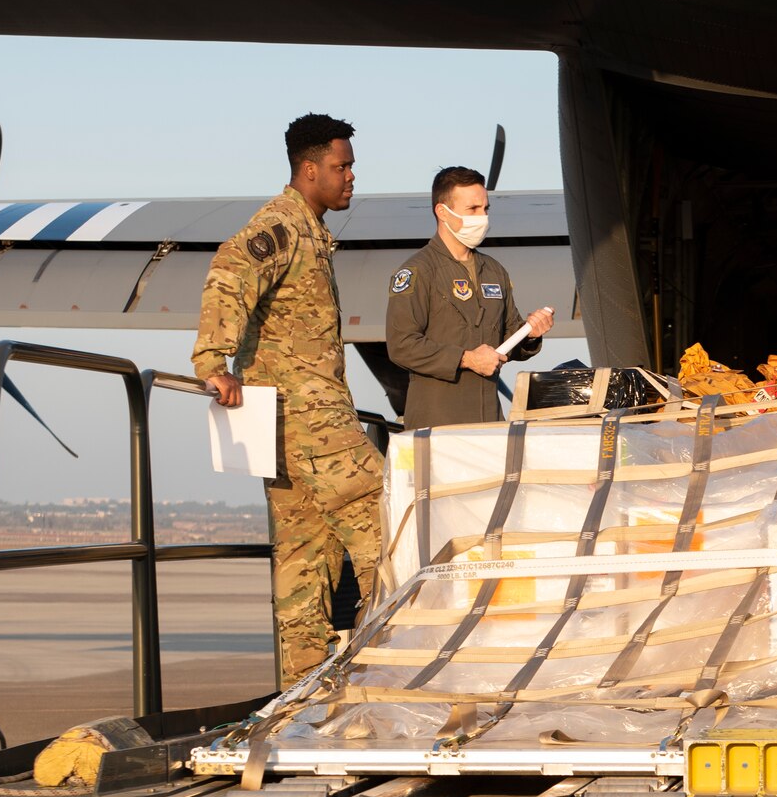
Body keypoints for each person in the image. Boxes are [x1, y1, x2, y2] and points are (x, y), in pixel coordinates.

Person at [192, 113, 384, 689]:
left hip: (286, 432)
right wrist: (213, 363)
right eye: (340, 166)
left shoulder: (311, 232)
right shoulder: (280, 227)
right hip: (314, 426)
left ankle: (299, 703)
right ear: (309, 170)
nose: (351, 176)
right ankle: (386, 680)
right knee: (393, 530)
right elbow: (228, 273)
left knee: (303, 570)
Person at [385, 165, 554, 427]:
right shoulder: (417, 271)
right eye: (473, 210)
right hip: (436, 423)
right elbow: (401, 345)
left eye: (485, 209)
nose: (482, 217)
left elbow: (510, 340)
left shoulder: (494, 271)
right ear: (442, 212)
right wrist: (467, 359)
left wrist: (530, 334)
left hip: (489, 421)